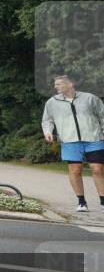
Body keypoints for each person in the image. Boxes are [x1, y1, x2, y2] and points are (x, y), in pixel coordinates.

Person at [42, 75, 104, 212]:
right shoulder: (52, 102)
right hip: (69, 140)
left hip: (94, 139)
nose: (55, 87)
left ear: (70, 84)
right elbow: (47, 120)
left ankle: (103, 202)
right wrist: (48, 132)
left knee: (98, 169)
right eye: (55, 84)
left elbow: (102, 115)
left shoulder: (90, 98)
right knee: (75, 170)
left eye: (58, 84)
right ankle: (81, 202)